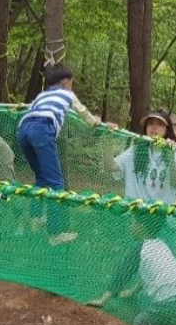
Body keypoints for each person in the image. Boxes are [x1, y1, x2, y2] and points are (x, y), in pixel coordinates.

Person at [17, 64, 115, 245]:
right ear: (65, 81)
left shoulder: (41, 95)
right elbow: (84, 114)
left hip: (23, 130)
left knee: (41, 178)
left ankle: (35, 219)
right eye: (72, 82)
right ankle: (56, 233)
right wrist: (96, 121)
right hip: (42, 130)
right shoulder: (68, 94)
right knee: (56, 183)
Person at [87, 212, 176, 325]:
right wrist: (133, 291)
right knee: (155, 303)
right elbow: (154, 273)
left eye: (132, 222)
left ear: (140, 227)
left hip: (167, 299)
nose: (130, 226)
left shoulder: (140, 249)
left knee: (140, 324)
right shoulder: (161, 244)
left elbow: (122, 275)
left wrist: (102, 300)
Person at [113, 110, 176, 205]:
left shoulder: (175, 152)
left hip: (163, 211)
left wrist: (171, 156)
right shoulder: (135, 149)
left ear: (167, 130)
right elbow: (111, 167)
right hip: (136, 209)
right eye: (150, 123)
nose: (154, 127)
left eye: (160, 124)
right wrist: (106, 139)